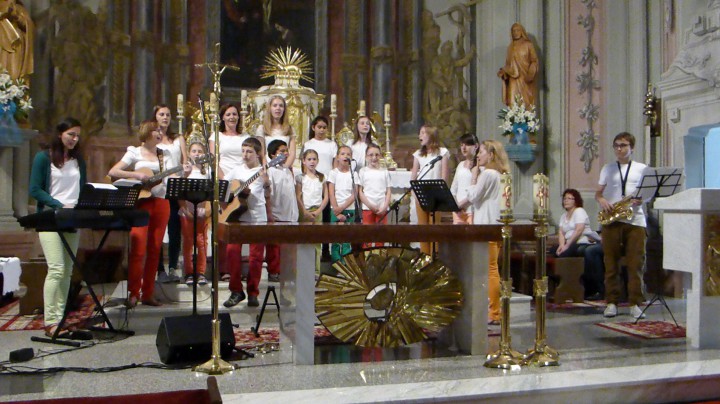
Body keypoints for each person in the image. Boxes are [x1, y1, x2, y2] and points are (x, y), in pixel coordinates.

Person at [108, 120, 190, 307]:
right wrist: (136, 175)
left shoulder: (164, 154)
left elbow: (172, 178)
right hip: (141, 203)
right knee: (138, 249)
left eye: (161, 130)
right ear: (147, 132)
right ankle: (133, 292)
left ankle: (148, 293)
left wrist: (184, 174)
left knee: (154, 250)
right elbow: (114, 171)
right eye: (156, 130)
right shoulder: (134, 152)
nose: (160, 133)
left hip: (161, 203)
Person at [29, 117, 85, 338]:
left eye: (77, 135)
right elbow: (35, 189)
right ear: (60, 133)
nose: (74, 139)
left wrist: (83, 207)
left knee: (68, 271)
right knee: (57, 268)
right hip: (50, 218)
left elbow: (83, 187)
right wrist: (57, 204)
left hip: (73, 217)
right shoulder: (43, 158)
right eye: (71, 134)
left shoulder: (78, 160)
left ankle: (60, 318)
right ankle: (50, 320)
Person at [596, 132, 648, 319]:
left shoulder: (642, 169)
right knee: (611, 264)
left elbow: (648, 192)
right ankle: (612, 302)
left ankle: (635, 303)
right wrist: (602, 200)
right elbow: (598, 193)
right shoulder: (608, 168)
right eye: (616, 145)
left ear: (632, 147)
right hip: (612, 220)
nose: (619, 149)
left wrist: (642, 199)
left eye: (623, 145)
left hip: (635, 221)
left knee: (636, 264)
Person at [457, 140, 509, 326]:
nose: (478, 156)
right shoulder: (500, 175)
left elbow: (473, 195)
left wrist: (473, 177)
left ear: (491, 155)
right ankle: (493, 310)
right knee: (491, 269)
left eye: (482, 152)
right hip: (495, 225)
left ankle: (495, 312)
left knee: (491, 270)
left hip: (487, 225)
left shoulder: (488, 174)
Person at [222, 137, 270, 308]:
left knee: (255, 257)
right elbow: (222, 186)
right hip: (237, 217)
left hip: (257, 217)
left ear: (258, 154)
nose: (245, 155)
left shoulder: (263, 171)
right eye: (243, 151)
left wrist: (266, 183)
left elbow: (268, 194)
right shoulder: (236, 170)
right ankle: (236, 290)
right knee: (232, 251)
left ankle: (253, 292)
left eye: (249, 151)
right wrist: (227, 200)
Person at [209, 103, 248, 282]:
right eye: (228, 114)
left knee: (239, 227)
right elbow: (214, 160)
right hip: (223, 181)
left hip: (242, 183)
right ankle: (223, 269)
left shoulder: (245, 137)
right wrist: (225, 181)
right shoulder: (216, 136)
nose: (232, 117)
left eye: (235, 114)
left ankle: (236, 268)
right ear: (222, 117)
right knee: (223, 225)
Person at [155, 104, 186, 284]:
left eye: (168, 114)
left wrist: (185, 171)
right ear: (155, 117)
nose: (165, 117)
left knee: (175, 228)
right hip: (159, 188)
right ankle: (159, 269)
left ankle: (173, 267)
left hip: (175, 188)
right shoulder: (151, 138)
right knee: (159, 230)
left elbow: (185, 162)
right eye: (161, 114)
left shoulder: (178, 138)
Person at [555, 188, 604, 300]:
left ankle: (585, 287)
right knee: (554, 251)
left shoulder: (579, 211)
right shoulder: (564, 216)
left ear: (576, 200)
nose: (566, 200)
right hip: (569, 243)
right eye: (565, 198)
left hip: (580, 241)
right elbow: (561, 232)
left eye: (569, 198)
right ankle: (560, 286)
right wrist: (561, 245)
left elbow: (579, 230)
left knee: (567, 253)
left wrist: (567, 246)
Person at [410, 125, 450, 255]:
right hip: (421, 194)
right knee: (423, 228)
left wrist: (441, 193)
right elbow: (414, 177)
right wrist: (415, 194)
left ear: (431, 135)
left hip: (436, 194)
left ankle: (434, 256)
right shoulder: (418, 154)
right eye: (419, 133)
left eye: (423, 133)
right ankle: (424, 257)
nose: (420, 136)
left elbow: (444, 176)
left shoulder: (442, 153)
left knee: (434, 227)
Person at [302, 115, 337, 261]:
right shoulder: (308, 143)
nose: (322, 130)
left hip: (326, 182)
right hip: (312, 182)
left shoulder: (331, 144)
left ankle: (325, 249)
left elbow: (334, 164)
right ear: (313, 128)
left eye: (324, 127)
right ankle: (308, 254)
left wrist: (333, 180)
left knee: (326, 217)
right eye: (319, 127)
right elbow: (304, 164)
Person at [265, 139, 299, 282]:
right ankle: (274, 271)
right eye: (282, 151)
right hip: (277, 213)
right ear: (273, 154)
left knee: (288, 246)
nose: (286, 154)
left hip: (290, 213)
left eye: (286, 151)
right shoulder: (270, 171)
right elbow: (268, 193)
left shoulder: (288, 170)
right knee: (274, 245)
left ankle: (287, 270)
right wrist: (270, 213)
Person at [179, 138, 210, 287]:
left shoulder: (208, 172)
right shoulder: (184, 171)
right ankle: (189, 272)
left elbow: (211, 194)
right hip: (187, 210)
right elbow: (179, 192)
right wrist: (186, 210)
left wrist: (206, 210)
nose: (197, 154)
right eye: (194, 151)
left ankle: (201, 272)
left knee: (201, 241)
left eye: (200, 151)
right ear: (189, 153)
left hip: (202, 211)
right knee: (188, 241)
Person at [296, 148, 328, 275]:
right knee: (304, 241)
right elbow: (298, 196)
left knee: (316, 241)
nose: (312, 162)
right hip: (305, 211)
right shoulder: (300, 178)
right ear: (304, 161)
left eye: (314, 159)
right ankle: (304, 270)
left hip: (317, 211)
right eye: (309, 159)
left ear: (318, 161)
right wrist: (304, 211)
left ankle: (316, 270)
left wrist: (319, 210)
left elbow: (326, 197)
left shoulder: (321, 177)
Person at [328, 145, 360, 262]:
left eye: (348, 154)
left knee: (347, 239)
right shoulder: (333, 173)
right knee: (336, 239)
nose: (345, 156)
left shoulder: (354, 174)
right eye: (342, 154)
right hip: (335, 209)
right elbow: (331, 193)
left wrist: (342, 207)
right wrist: (337, 210)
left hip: (349, 209)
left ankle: (346, 265)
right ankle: (336, 264)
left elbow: (354, 193)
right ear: (337, 157)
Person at [497, 22, 539, 108]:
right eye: (514, 31)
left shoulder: (528, 44)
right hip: (513, 78)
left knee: (526, 103)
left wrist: (531, 71)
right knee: (512, 103)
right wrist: (504, 72)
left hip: (525, 79)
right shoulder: (510, 47)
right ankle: (513, 116)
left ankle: (526, 115)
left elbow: (534, 60)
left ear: (521, 31)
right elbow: (508, 64)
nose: (515, 32)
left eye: (517, 30)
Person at [358, 144, 391, 248]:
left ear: (380, 156)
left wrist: (385, 206)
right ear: (366, 157)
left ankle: (379, 256)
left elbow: (388, 191)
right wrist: (370, 205)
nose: (374, 157)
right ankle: (367, 256)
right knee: (367, 235)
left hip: (382, 208)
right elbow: (360, 191)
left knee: (380, 236)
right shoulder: (363, 171)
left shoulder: (384, 172)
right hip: (368, 207)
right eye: (371, 155)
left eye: (377, 155)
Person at [256, 95, 296, 168]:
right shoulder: (262, 128)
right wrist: (267, 167)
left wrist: (284, 167)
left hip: (285, 167)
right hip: (268, 167)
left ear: (284, 109)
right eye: (275, 105)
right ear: (270, 108)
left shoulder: (290, 129)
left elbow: (292, 153)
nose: (278, 108)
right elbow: (262, 153)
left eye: (281, 106)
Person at [0, 0, 33, 80]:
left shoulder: (17, 7)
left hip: (15, 46)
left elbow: (28, 26)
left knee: (12, 73)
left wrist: (15, 16)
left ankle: (12, 84)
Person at [450, 133, 478, 224]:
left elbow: (476, 190)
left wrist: (461, 204)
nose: (464, 148)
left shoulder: (479, 166)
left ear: (476, 146)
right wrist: (456, 206)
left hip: (472, 210)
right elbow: (453, 189)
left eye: (467, 145)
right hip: (458, 212)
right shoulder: (460, 165)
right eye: (462, 145)